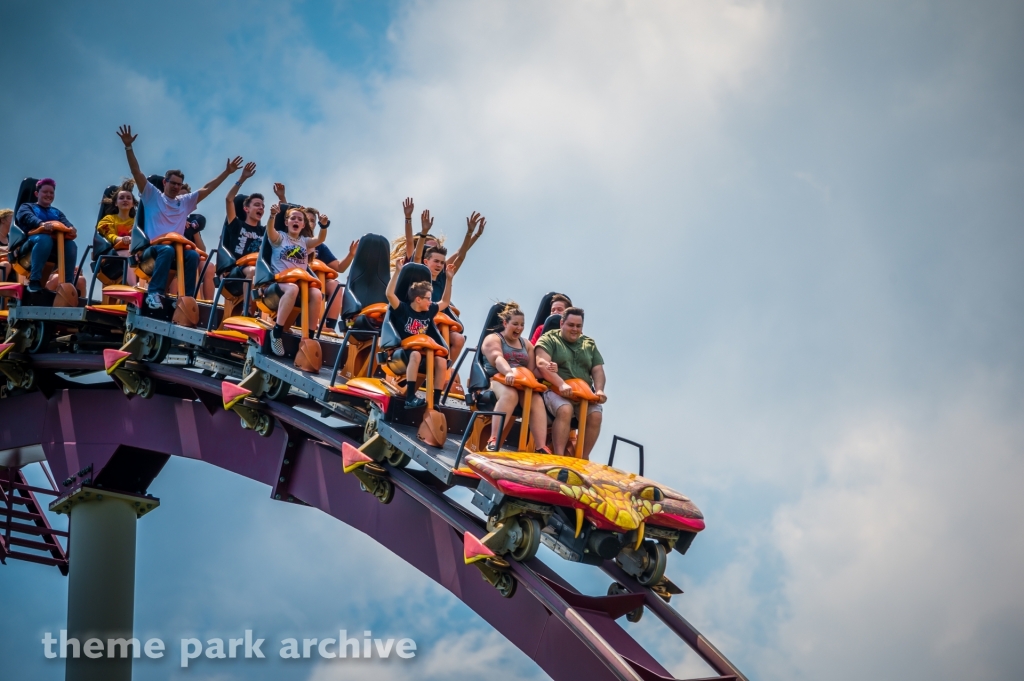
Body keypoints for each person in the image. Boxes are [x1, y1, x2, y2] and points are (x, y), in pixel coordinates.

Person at [116, 124, 243, 309]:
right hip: (153, 249)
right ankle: (154, 293)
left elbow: (208, 188)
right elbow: (137, 172)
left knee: (192, 255)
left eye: (179, 184)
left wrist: (227, 172)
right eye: (173, 183)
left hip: (176, 250)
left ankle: (185, 299)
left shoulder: (184, 202)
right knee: (166, 250)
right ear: (165, 182)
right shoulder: (153, 196)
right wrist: (128, 147)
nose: (176, 187)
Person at [534, 307, 607, 459]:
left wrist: (599, 390)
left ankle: (582, 457)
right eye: (571, 325)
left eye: (578, 326)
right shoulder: (549, 339)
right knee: (565, 409)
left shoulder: (588, 343)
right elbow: (541, 363)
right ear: (562, 323)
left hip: (582, 395)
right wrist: (561, 384)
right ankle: (559, 457)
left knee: (596, 415)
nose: (575, 329)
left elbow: (598, 370)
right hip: (555, 390)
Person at [384, 261, 455, 409]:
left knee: (441, 361)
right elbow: (389, 294)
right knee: (415, 355)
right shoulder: (402, 309)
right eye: (428, 298)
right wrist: (397, 273)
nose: (431, 301)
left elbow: (445, 302)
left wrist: (449, 279)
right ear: (418, 299)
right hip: (403, 350)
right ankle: (410, 398)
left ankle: (435, 402)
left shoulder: (429, 311)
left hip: (424, 350)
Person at [479, 301, 549, 452]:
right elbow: (497, 358)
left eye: (522, 324)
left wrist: (548, 369)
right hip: (498, 379)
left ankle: (540, 447)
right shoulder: (493, 339)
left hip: (520, 383)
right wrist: (509, 372)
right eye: (515, 324)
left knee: (535, 399)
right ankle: (494, 438)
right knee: (510, 395)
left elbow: (531, 370)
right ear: (505, 323)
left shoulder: (526, 344)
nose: (519, 328)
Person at [263, 203, 328, 356]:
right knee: (293, 288)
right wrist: (272, 216)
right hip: (279, 283)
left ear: (303, 224)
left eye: (299, 219)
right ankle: (276, 333)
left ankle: (309, 338)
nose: (296, 221)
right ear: (287, 222)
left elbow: (319, 239)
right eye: (293, 218)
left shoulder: (305, 242)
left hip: (300, 283)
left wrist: (324, 226)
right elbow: (269, 230)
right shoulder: (280, 237)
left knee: (317, 294)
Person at [14, 178, 79, 293]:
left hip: (53, 246)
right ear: (36, 193)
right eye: (45, 192)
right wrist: (41, 224)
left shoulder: (56, 212)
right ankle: (34, 280)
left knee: (71, 245)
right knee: (44, 239)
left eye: (51, 193)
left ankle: (69, 284)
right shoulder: (27, 207)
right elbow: (28, 217)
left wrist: (71, 228)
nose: (48, 195)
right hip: (29, 244)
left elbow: (66, 223)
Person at [422, 245, 466, 361]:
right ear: (426, 262)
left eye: (442, 263)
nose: (439, 265)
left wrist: (471, 233)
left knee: (459, 339)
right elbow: (415, 257)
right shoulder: (418, 278)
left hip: (441, 322)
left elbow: (460, 256)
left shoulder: (443, 278)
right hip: (424, 321)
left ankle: (447, 372)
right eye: (436, 261)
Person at [96, 182, 138, 284]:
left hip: (135, 253)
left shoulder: (137, 222)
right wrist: (123, 239)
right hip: (113, 255)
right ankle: (135, 288)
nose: (125, 200)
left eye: (128, 198)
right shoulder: (108, 219)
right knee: (127, 254)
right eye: (121, 198)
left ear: (133, 204)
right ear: (116, 203)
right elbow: (109, 235)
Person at [0, 208, 14, 282]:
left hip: (10, 264)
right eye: (12, 219)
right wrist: (3, 249)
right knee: (5, 265)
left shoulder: (11, 239)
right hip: (3, 264)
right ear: (3, 220)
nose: (14, 223)